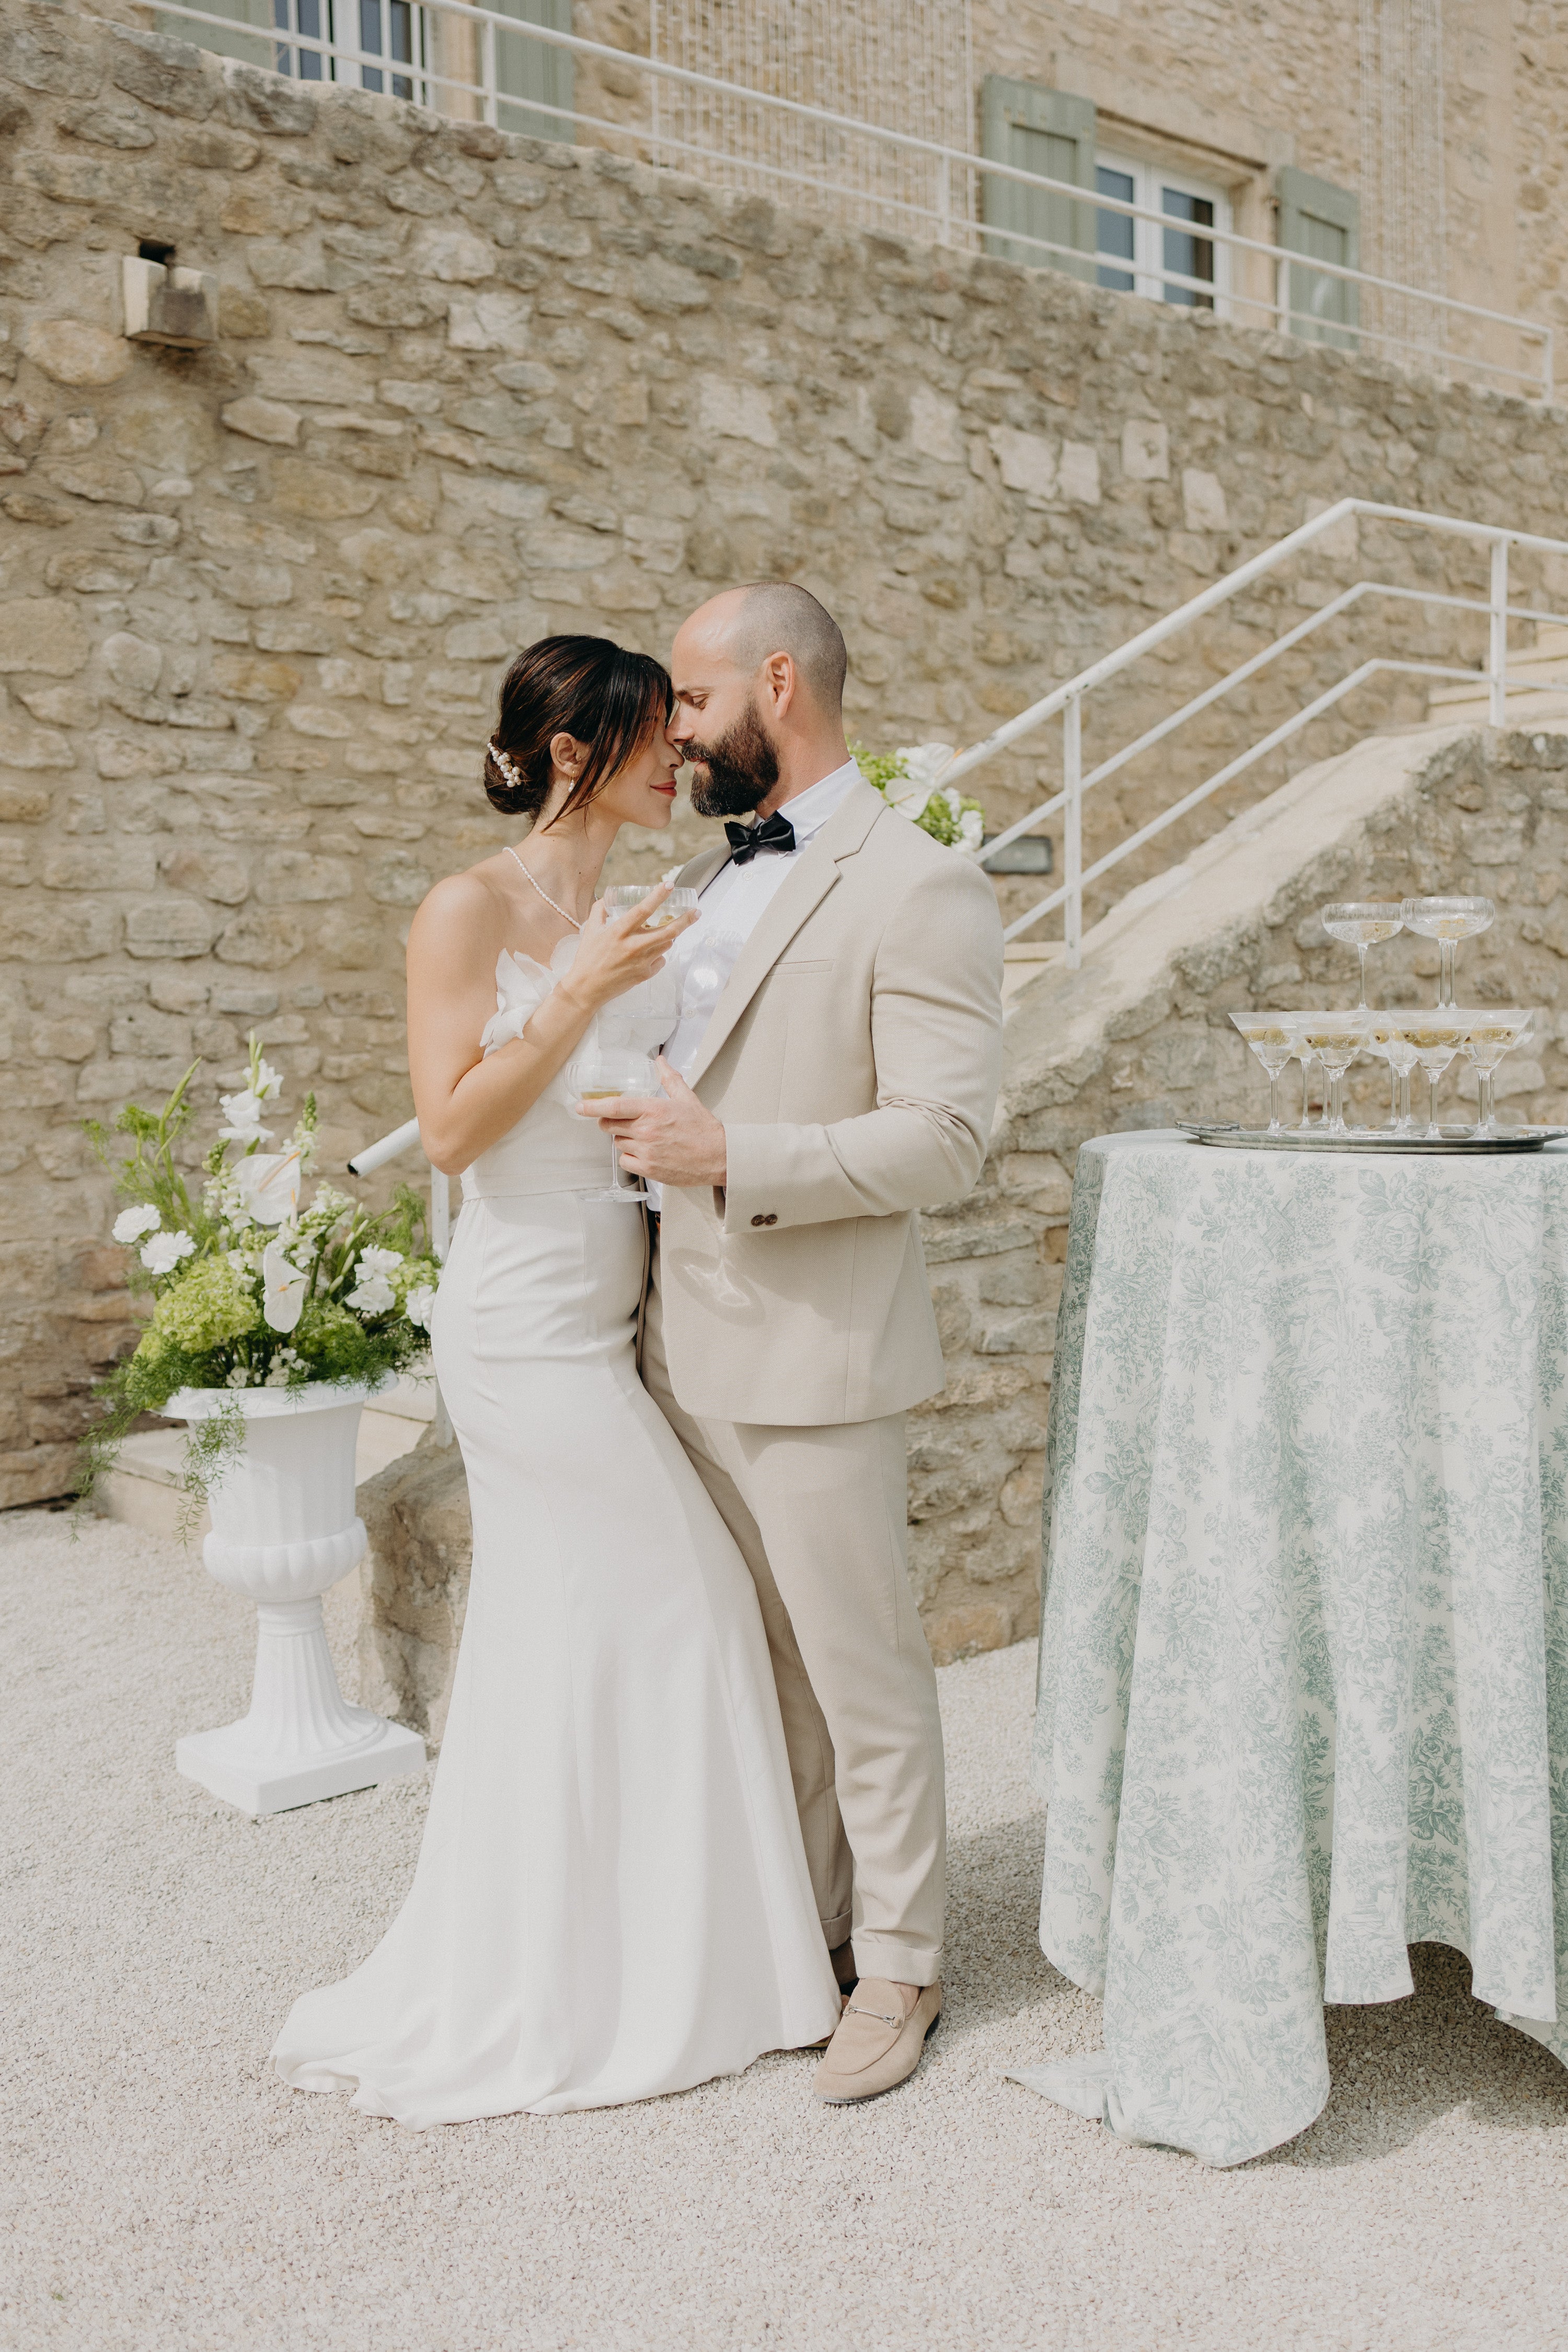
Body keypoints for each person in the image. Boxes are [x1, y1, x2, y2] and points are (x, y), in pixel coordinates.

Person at [271, 635, 842, 2126]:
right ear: (578, 749)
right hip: (522, 1322)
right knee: (691, 1599)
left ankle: (640, 1953)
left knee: (577, 1633)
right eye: (659, 739)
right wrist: (573, 992)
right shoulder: (469, 908)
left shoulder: (661, 899)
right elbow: (452, 1132)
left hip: (619, 1312)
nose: (683, 762)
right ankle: (630, 1974)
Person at [585, 584, 1005, 2104]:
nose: (676, 732)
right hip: (671, 1344)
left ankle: (904, 1963)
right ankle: (812, 1935)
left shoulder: (922, 884)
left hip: (818, 1345)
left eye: (692, 702)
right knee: (767, 1668)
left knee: (862, 1668)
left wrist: (732, 1154)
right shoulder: (709, 873)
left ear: (780, 682)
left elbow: (953, 1136)